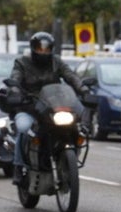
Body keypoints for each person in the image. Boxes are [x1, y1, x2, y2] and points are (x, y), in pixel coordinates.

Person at [7, 31, 86, 184]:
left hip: (53, 106)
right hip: (29, 107)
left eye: (46, 48)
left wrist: (83, 89)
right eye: (39, 48)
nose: (43, 51)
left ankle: (70, 161)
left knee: (76, 127)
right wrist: (15, 92)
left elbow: (71, 76)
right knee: (24, 128)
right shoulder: (22, 63)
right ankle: (18, 166)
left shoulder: (57, 62)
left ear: (51, 49)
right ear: (33, 48)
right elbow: (15, 78)